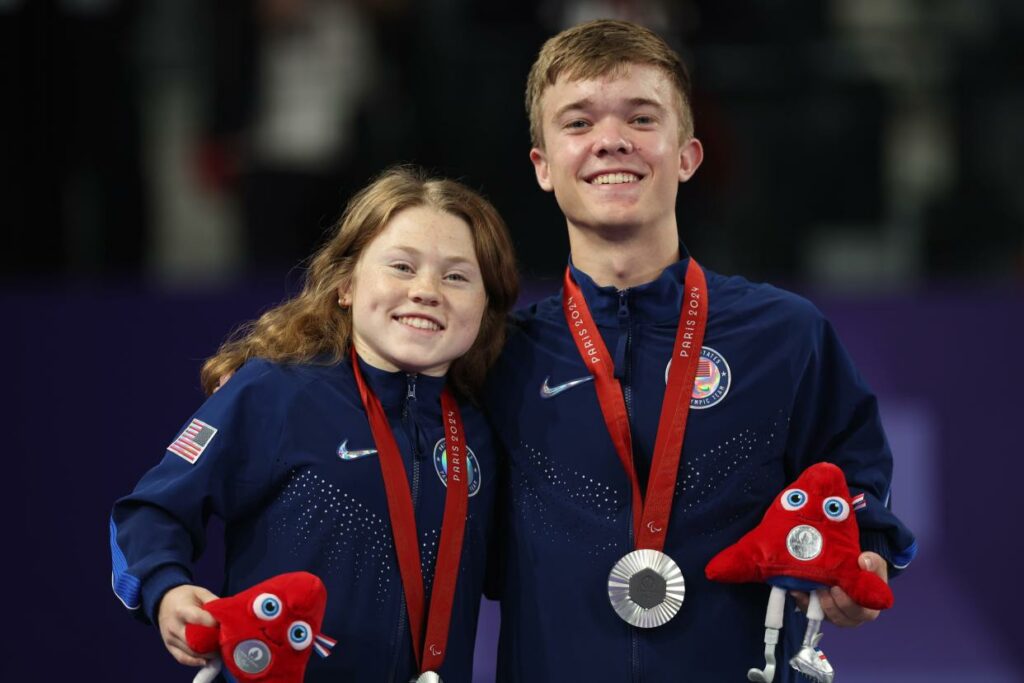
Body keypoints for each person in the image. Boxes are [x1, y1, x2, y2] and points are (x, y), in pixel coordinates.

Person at [481, 19, 917, 681]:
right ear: (542, 166)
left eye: (641, 117)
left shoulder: (784, 334)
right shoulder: (501, 357)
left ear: (687, 154)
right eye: (577, 122)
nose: (610, 141)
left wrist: (862, 558)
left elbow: (855, 482)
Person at [109, 166, 519, 681]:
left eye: (457, 276)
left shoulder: (483, 431)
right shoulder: (274, 392)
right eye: (400, 266)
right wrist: (165, 589)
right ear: (345, 284)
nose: (426, 290)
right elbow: (147, 513)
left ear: (486, 306)